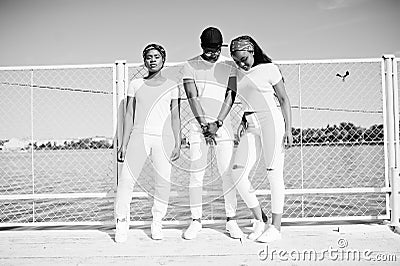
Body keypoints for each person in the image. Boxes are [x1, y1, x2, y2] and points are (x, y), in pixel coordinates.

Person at [114, 44, 181, 242]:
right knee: (126, 180)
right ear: (144, 61)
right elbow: (128, 114)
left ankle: (157, 221)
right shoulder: (135, 85)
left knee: (163, 182)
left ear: (163, 60)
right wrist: (123, 144)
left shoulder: (172, 85)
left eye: (156, 56)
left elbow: (176, 116)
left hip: (164, 138)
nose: (152, 60)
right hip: (138, 136)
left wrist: (178, 143)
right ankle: (122, 222)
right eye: (148, 57)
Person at [229, 35, 293, 243]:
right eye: (236, 60)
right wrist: (241, 121)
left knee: (274, 174)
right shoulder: (237, 73)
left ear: (252, 51)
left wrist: (289, 129)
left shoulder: (269, 69)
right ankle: (260, 219)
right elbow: (246, 100)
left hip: (272, 123)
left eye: (243, 58)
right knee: (237, 173)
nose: (241, 63)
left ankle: (276, 227)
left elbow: (284, 99)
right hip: (250, 125)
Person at [181, 26, 243, 240]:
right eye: (208, 50)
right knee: (196, 175)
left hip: (222, 124)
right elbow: (192, 96)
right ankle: (196, 221)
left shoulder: (229, 65)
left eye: (216, 49)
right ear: (201, 47)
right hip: (197, 126)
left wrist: (217, 122)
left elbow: (230, 95)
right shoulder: (189, 65)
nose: (213, 54)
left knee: (227, 173)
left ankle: (231, 220)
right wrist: (203, 124)